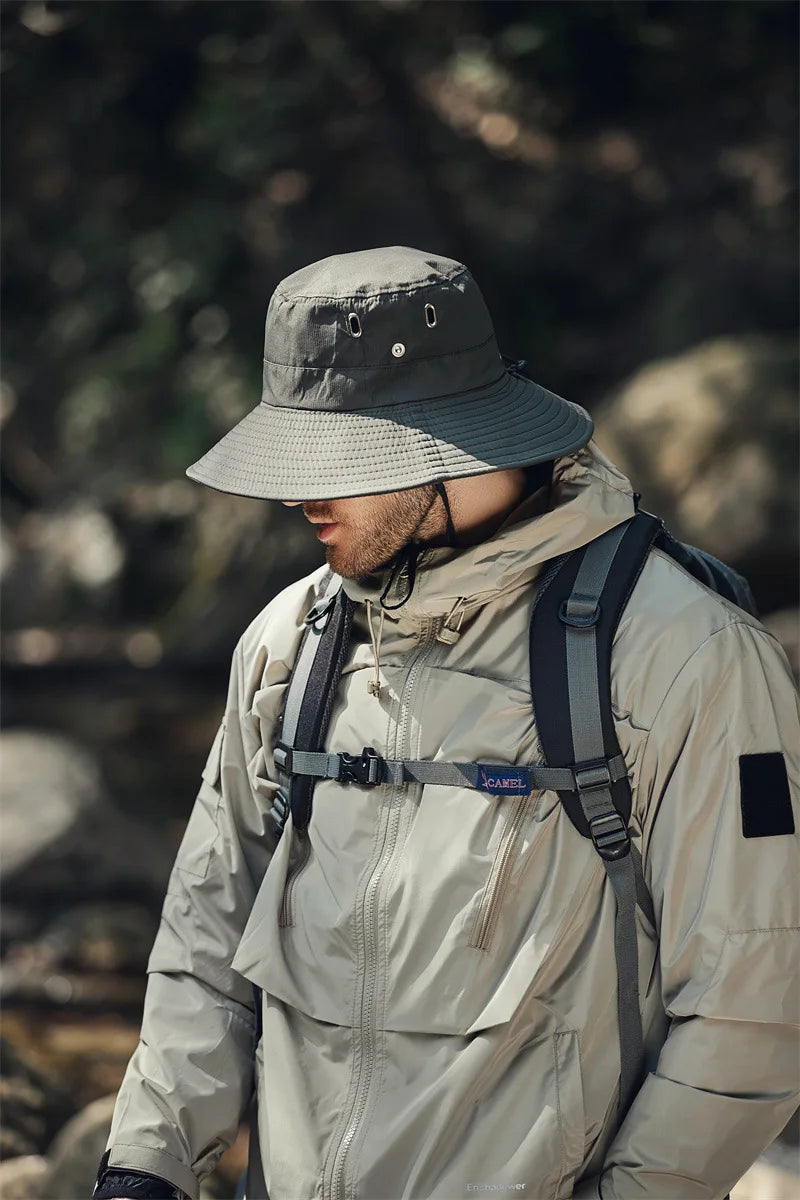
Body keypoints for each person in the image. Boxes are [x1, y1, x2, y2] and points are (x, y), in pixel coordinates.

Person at [93, 246, 800, 1200]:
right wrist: (145, 1163)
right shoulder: (288, 646)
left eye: (337, 459)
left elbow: (751, 1004)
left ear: (445, 446)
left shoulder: (685, 655)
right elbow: (205, 944)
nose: (301, 494)